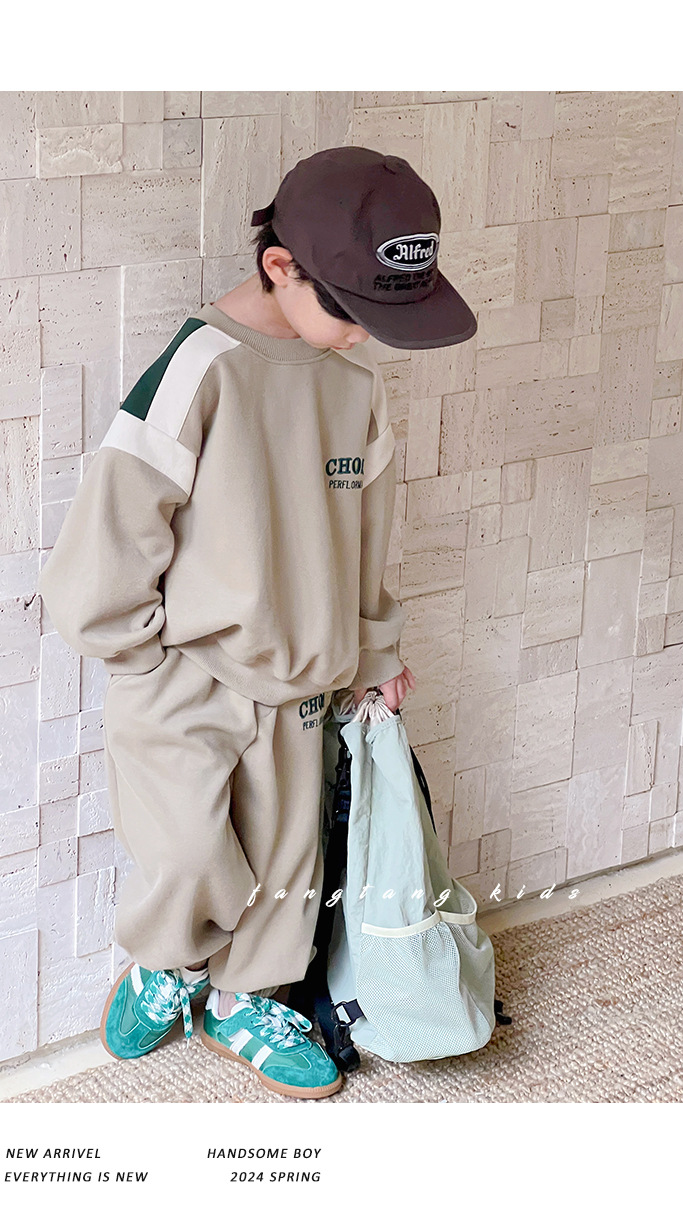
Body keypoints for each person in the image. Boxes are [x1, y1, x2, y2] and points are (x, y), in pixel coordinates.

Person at [38, 145, 477, 1100]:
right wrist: (137, 653)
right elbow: (118, 517)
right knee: (187, 848)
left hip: (305, 678)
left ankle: (248, 1000)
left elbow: (368, 535)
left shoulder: (354, 387)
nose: (364, 337)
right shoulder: (202, 368)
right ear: (281, 266)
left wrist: (374, 651)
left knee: (288, 859)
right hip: (184, 671)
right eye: (353, 312)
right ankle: (167, 964)